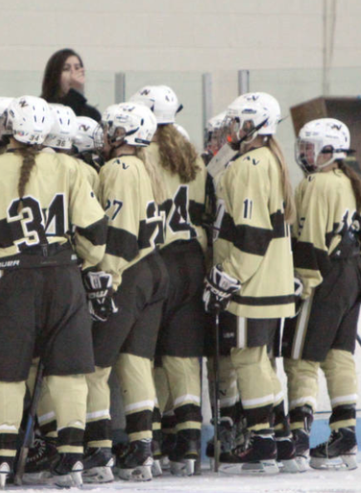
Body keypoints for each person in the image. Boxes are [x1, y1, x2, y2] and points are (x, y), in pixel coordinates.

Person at [0, 95, 107, 488]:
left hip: (12, 278)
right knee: (70, 369)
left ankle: (4, 462)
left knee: (7, 371)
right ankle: (73, 459)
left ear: (10, 127)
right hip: (62, 275)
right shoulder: (71, 167)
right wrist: (82, 262)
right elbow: (95, 233)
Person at [203, 92, 296, 475]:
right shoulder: (268, 159)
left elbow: (252, 232)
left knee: (247, 358)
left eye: (239, 123)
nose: (232, 130)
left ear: (255, 125)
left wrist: (229, 276)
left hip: (252, 282)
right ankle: (281, 436)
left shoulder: (251, 165)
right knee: (260, 358)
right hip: (270, 278)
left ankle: (261, 443)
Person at [283, 118, 361, 471]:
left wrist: (303, 284)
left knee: (300, 357)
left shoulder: (315, 184)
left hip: (322, 275)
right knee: (339, 356)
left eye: (310, 147)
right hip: (353, 275)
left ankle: (299, 440)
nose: (305, 153)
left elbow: (309, 241)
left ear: (328, 151)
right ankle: (345, 437)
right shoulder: (353, 182)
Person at [83, 102, 168, 483]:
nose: (105, 134)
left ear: (123, 134)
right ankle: (142, 449)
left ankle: (99, 452)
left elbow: (119, 234)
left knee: (96, 368)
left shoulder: (119, 168)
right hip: (153, 268)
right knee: (135, 362)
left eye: (111, 129)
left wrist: (106, 278)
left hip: (129, 272)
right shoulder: (146, 166)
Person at [131, 85, 209, 477]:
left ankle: (155, 440)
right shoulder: (189, 150)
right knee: (182, 354)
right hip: (191, 258)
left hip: (156, 258)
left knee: (151, 352)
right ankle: (190, 443)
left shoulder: (140, 153)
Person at [41, 48, 101, 121]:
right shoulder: (42, 109)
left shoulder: (92, 115)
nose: (73, 74)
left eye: (77, 68)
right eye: (66, 69)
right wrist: (75, 93)